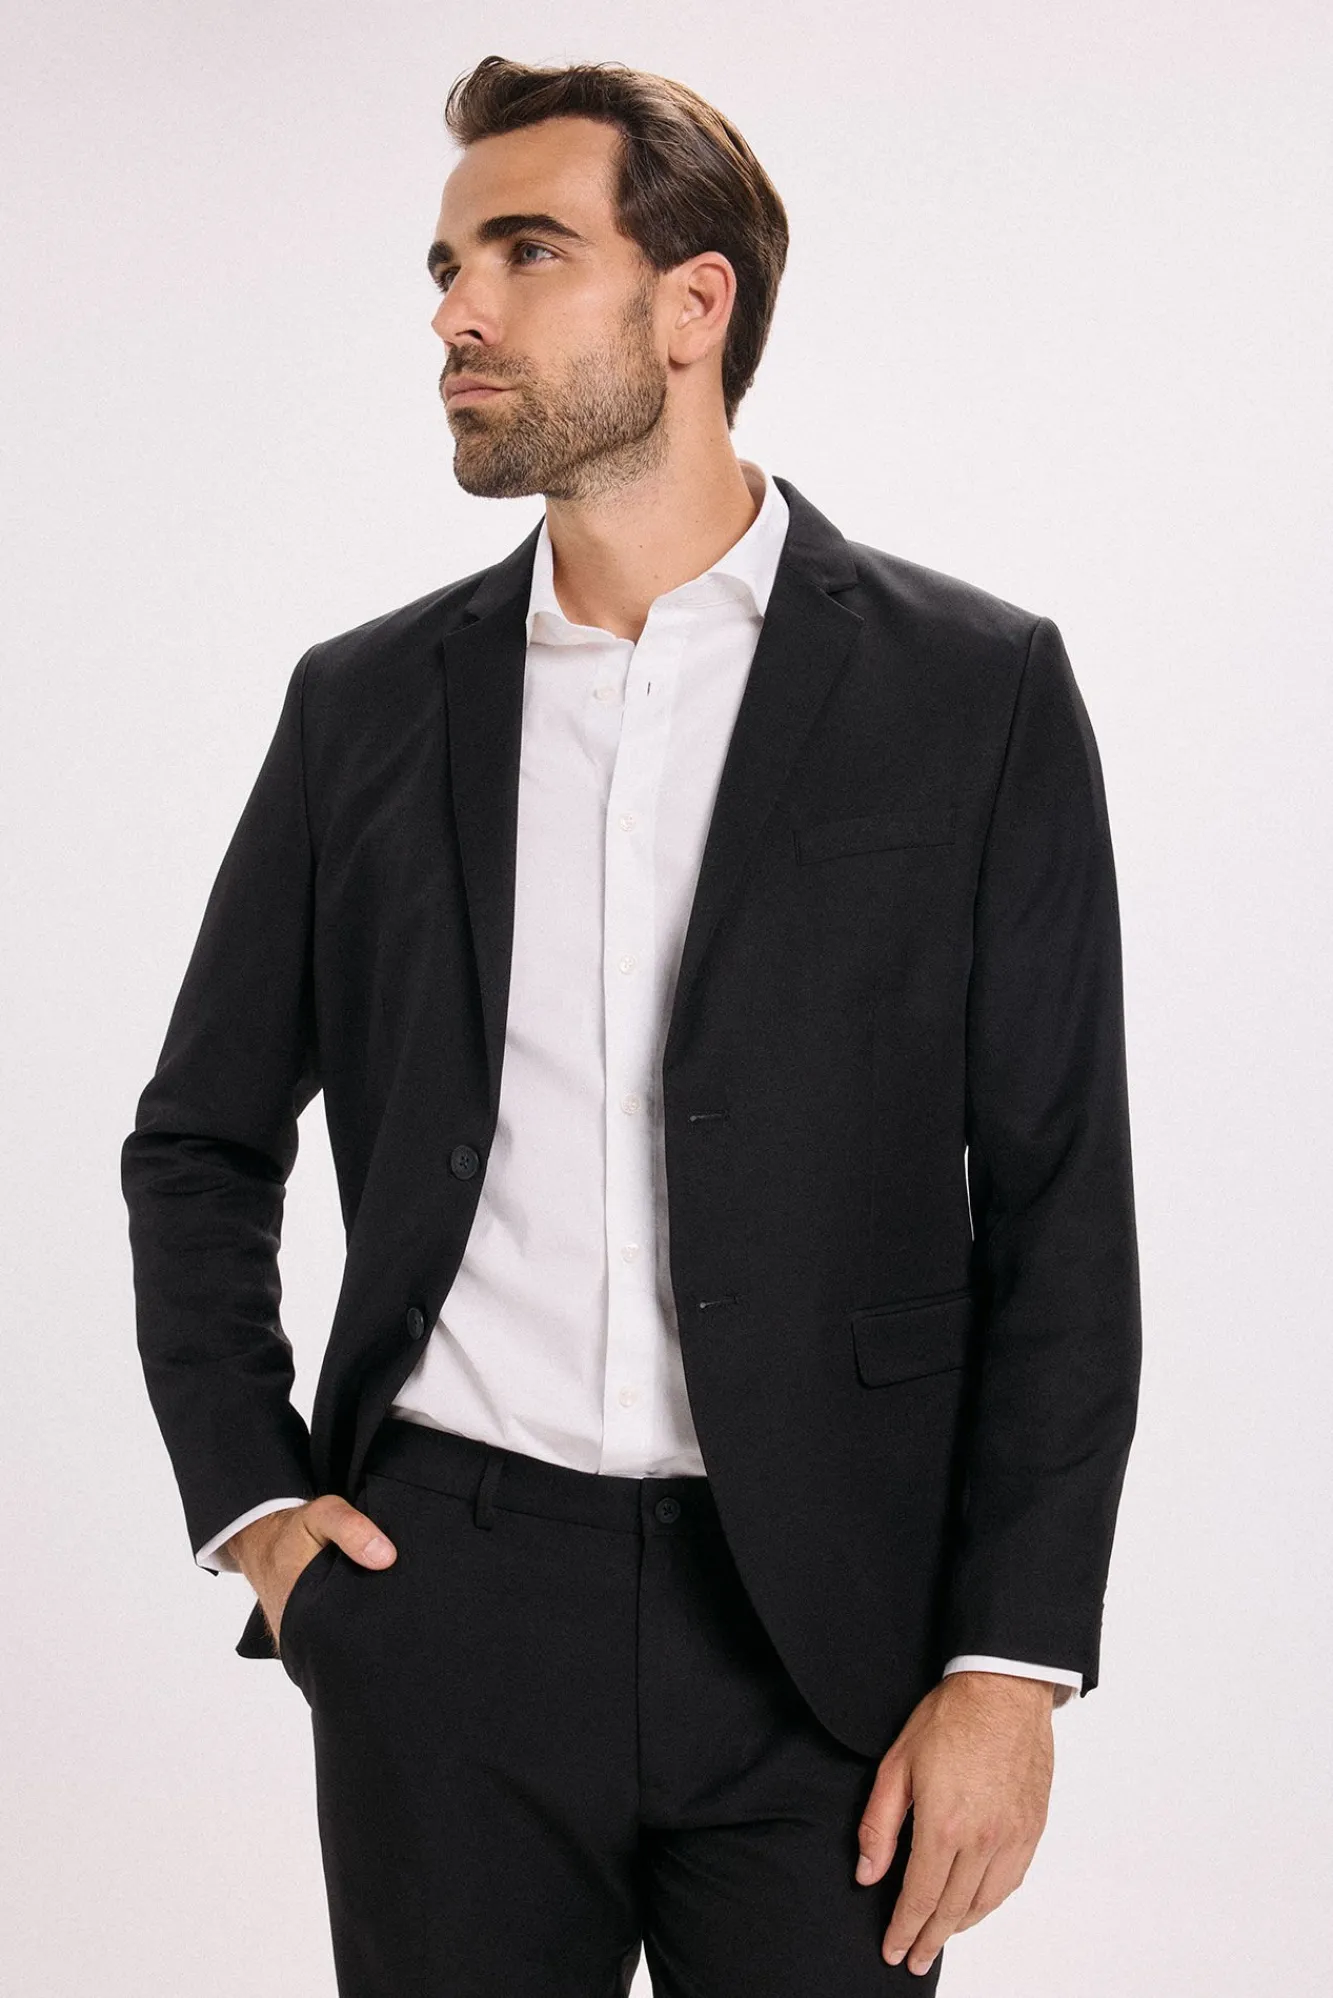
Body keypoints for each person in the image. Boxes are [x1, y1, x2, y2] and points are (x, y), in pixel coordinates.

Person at [121, 55, 1141, 1997]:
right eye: (445, 267)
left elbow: (1060, 1203)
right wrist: (259, 1513)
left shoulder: (975, 692)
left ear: (694, 304)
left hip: (831, 1639)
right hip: (443, 1610)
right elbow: (199, 1142)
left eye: (525, 252)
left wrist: (1012, 1666)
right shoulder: (364, 709)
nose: (457, 313)